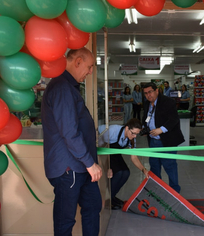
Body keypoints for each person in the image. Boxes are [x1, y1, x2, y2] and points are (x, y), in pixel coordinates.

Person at [41, 47, 102, 236]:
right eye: (89, 67)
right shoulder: (61, 87)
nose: (90, 72)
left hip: (81, 166)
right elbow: (69, 131)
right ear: (78, 62)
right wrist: (90, 163)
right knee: (65, 220)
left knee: (93, 206)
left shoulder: (69, 87)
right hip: (70, 168)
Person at [142, 82, 184, 193]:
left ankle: (175, 192)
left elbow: (174, 119)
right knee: (154, 167)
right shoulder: (147, 103)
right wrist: (144, 128)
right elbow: (146, 118)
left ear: (157, 91)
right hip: (153, 141)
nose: (148, 95)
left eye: (150, 92)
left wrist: (161, 129)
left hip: (167, 140)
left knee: (170, 167)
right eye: (145, 93)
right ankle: (157, 191)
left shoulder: (168, 102)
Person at [98, 118, 149, 210]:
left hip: (114, 152)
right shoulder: (113, 131)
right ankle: (106, 200)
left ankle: (112, 197)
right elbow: (100, 148)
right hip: (104, 150)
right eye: (133, 133)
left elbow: (134, 157)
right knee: (118, 173)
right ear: (127, 128)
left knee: (126, 172)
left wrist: (144, 170)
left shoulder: (132, 138)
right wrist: (106, 167)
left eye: (137, 134)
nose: (134, 136)